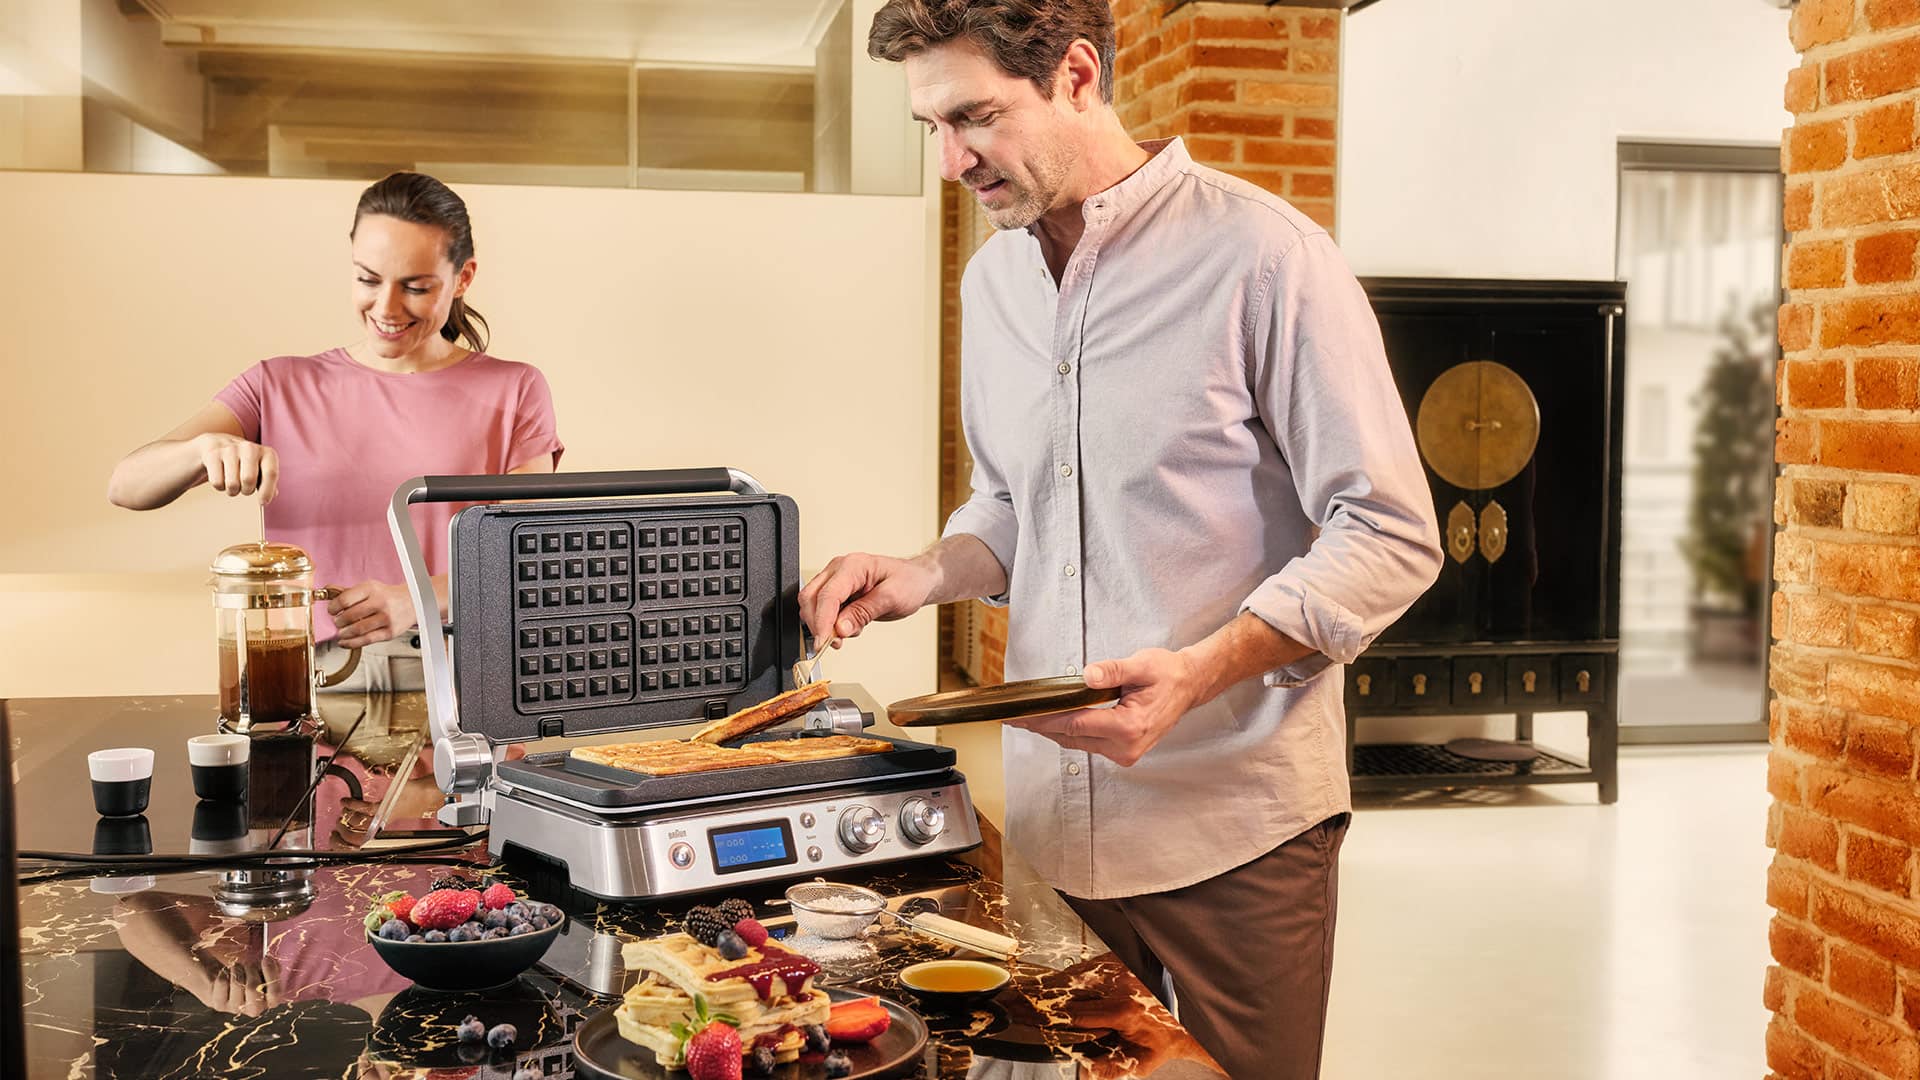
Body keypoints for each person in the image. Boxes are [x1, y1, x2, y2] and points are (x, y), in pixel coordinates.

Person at [797, 3, 1443, 1076]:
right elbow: (1011, 504)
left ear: (1078, 74)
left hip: (1237, 822)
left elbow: (1389, 532)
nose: (953, 159)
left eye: (977, 117)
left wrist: (1201, 672)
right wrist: (923, 572)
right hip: (1053, 824)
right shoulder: (994, 281)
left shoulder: (1266, 256)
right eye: (931, 127)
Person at [107, 172, 564, 690]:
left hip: (467, 676)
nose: (387, 309)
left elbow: (533, 555)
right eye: (368, 280)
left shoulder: (514, 389)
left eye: (415, 287)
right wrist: (199, 450)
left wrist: (414, 598)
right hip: (307, 677)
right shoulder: (278, 384)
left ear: (462, 278)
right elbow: (126, 486)